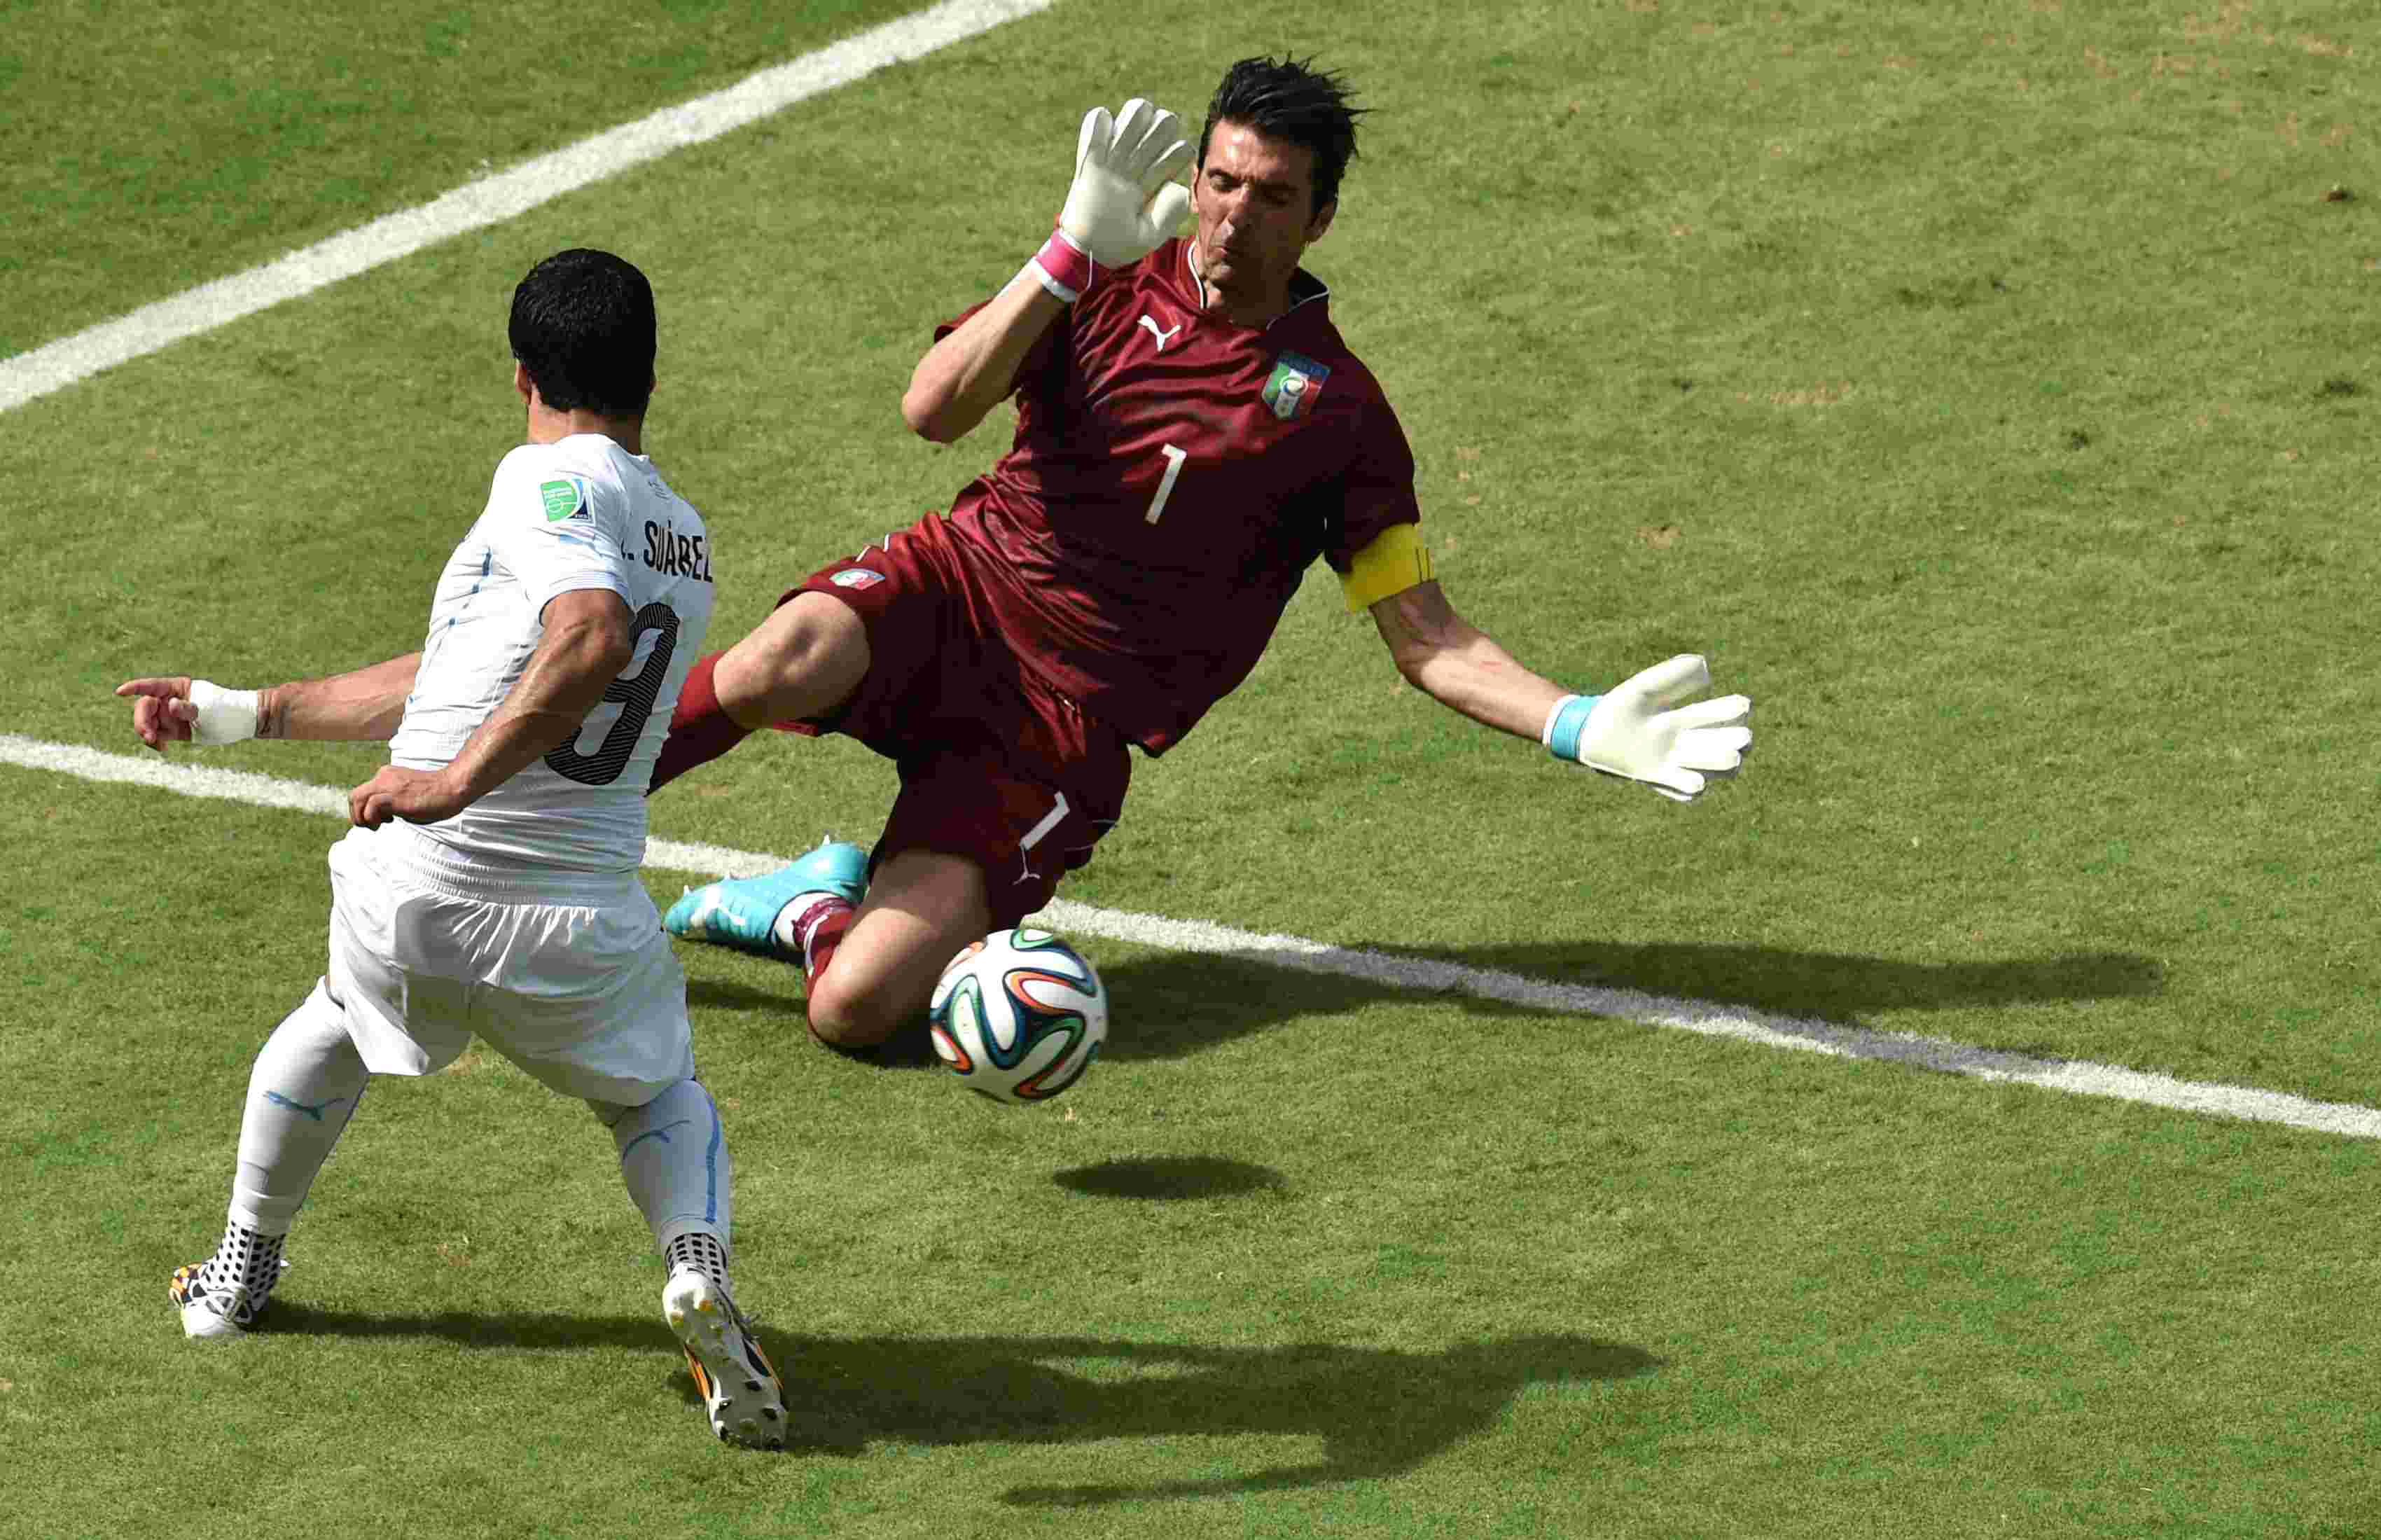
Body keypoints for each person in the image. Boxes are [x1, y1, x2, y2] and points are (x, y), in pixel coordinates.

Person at [650, 59, 1751, 1060]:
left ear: (1319, 219)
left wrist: (1578, 722)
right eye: (1221, 182)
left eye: (1272, 196)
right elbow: (931, 410)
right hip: (960, 587)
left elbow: (1428, 641)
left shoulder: (1340, 416)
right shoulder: (1102, 281)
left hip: (1061, 728)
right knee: (779, 659)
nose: (1235, 215)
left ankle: (815, 908)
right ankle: (569, 806)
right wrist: (1065, 255)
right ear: (1194, 178)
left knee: (853, 1010)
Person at [116, 249, 786, 1450]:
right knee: (657, 1098)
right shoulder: (685, 538)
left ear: (522, 377)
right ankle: (695, 1264)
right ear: (650, 378)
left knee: (333, 1025)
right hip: (581, 927)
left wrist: (451, 784)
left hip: (419, 899)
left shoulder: (542, 479)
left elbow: (586, 636)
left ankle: (238, 1273)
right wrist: (242, 711)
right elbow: (467, 669)